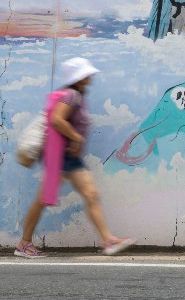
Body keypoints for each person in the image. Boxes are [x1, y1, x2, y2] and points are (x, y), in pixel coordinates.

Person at [14, 57, 135, 258]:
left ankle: (108, 239)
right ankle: (24, 244)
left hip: (69, 158)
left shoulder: (75, 95)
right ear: (79, 77)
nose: (90, 76)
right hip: (62, 157)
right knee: (45, 199)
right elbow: (57, 120)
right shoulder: (71, 96)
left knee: (90, 195)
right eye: (87, 74)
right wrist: (76, 137)